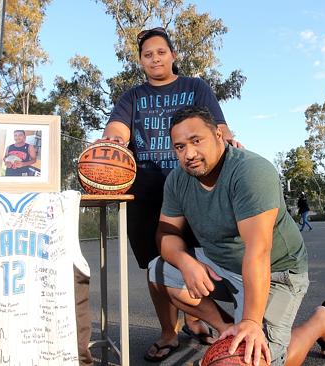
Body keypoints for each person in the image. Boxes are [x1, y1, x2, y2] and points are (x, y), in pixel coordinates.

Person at [149, 106, 325, 366]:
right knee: (159, 271)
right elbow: (167, 231)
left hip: (276, 270)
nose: (189, 154)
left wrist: (252, 322)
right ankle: (227, 331)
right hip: (221, 265)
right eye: (179, 147)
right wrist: (185, 262)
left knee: (259, 360)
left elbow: (258, 249)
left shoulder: (250, 171)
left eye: (196, 141)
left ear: (219, 135)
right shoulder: (178, 180)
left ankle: (321, 321)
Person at [100, 27, 241, 361]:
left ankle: (198, 318)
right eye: (148, 54)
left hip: (192, 185)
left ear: (173, 55)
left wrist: (230, 143)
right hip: (146, 189)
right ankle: (169, 331)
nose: (155, 59)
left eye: (161, 52)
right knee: (156, 264)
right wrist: (113, 142)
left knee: (196, 257)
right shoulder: (132, 96)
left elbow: (217, 126)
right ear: (140, 60)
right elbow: (117, 127)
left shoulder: (195, 86)